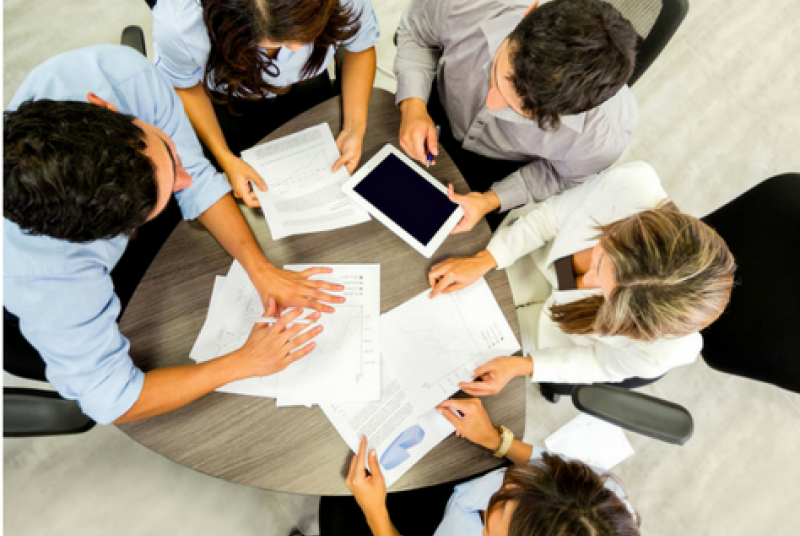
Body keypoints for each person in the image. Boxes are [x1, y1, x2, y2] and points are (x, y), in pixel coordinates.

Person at [3, 45, 343, 425]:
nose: (185, 178)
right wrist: (242, 363)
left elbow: (194, 178)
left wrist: (260, 269)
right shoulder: (52, 278)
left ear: (105, 107)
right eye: (163, 194)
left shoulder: (117, 73)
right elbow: (111, 400)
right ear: (116, 233)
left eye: (167, 152)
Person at [427, 162, 736, 398]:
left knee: (453, 353)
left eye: (604, 291)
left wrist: (523, 366)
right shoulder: (633, 184)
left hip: (555, 330)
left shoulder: (667, 348)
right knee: (438, 297)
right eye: (600, 262)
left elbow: (599, 363)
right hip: (532, 258)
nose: (586, 280)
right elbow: (550, 217)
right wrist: (485, 260)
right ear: (622, 228)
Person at [394, 0, 639, 230]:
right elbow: (416, 33)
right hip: (430, 102)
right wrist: (413, 104)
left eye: (519, 110)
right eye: (498, 75)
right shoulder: (471, 4)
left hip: (495, 170)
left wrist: (490, 200)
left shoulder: (601, 136)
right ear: (529, 11)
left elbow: (559, 176)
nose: (492, 103)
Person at [153, 0, 380, 207]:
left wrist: (354, 127)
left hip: (307, 85)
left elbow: (359, 46)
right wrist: (226, 158)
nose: (296, 48)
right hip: (228, 100)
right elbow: (185, 86)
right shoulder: (180, 25)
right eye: (277, 38)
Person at [321, 398, 640, 536]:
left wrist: (375, 510)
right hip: (455, 486)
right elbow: (545, 462)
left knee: (335, 496)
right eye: (523, 483)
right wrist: (497, 441)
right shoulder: (601, 500)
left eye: (495, 516)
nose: (507, 483)